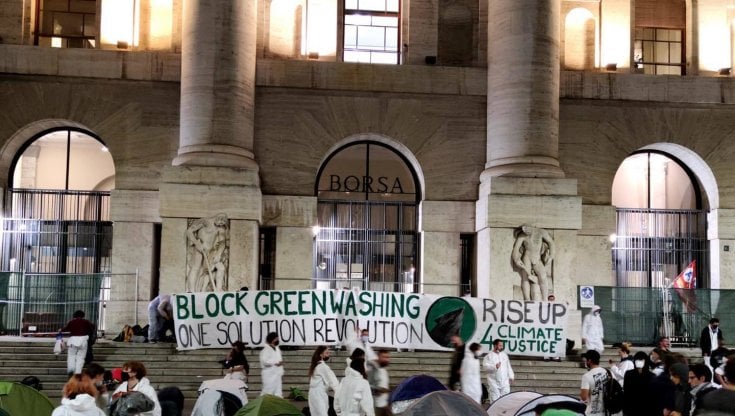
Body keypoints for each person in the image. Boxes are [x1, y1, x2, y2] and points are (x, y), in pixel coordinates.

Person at [511, 225, 555, 301]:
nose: (525, 230)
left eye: (527, 228)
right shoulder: (522, 235)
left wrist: (551, 256)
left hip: (537, 258)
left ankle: (545, 299)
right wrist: (517, 260)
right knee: (525, 278)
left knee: (543, 277)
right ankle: (527, 299)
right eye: (524, 229)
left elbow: (551, 243)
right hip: (527, 257)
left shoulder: (541, 232)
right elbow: (516, 249)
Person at [186, 213, 229, 292]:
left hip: (211, 251)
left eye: (222, 224)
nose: (220, 225)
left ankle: (218, 290)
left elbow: (222, 243)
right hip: (199, 248)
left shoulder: (221, 228)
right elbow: (189, 231)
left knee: (221, 268)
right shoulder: (205, 221)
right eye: (220, 222)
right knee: (196, 268)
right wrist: (196, 243)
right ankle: (191, 291)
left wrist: (219, 254)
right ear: (218, 218)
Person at [60, 310, 96, 375]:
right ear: (83, 315)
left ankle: (71, 369)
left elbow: (65, 329)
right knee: (81, 357)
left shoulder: (71, 322)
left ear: (74, 315)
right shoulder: (86, 322)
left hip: (73, 341)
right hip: (83, 341)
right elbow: (92, 328)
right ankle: (78, 372)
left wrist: (60, 330)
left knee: (71, 356)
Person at [622, 351, 656, 416]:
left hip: (646, 408)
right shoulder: (629, 374)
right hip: (631, 407)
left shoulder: (651, 376)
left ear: (646, 361)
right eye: (637, 359)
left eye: (641, 359)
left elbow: (653, 395)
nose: (639, 361)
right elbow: (626, 391)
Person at [308, 346, 339, 416]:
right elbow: (333, 382)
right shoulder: (322, 366)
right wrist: (340, 394)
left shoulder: (316, 365)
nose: (329, 353)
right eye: (327, 352)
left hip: (313, 394)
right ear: (321, 354)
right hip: (319, 394)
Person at [579, 350, 607, 416]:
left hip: (592, 413)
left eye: (586, 360)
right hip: (607, 411)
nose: (585, 362)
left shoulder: (586, 376)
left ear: (589, 361)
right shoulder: (608, 372)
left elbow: (584, 397)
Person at [259, 332, 284, 397]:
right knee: (268, 391)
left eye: (277, 338)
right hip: (269, 374)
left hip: (277, 374)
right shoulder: (266, 349)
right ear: (271, 339)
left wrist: (280, 363)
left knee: (278, 392)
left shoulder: (277, 349)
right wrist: (275, 363)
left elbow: (279, 359)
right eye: (276, 339)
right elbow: (264, 361)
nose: (277, 340)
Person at [368, 350, 391, 416]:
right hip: (375, 406)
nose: (387, 360)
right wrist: (377, 389)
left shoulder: (384, 370)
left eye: (388, 357)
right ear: (378, 357)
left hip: (384, 405)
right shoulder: (372, 369)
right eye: (384, 357)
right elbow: (366, 385)